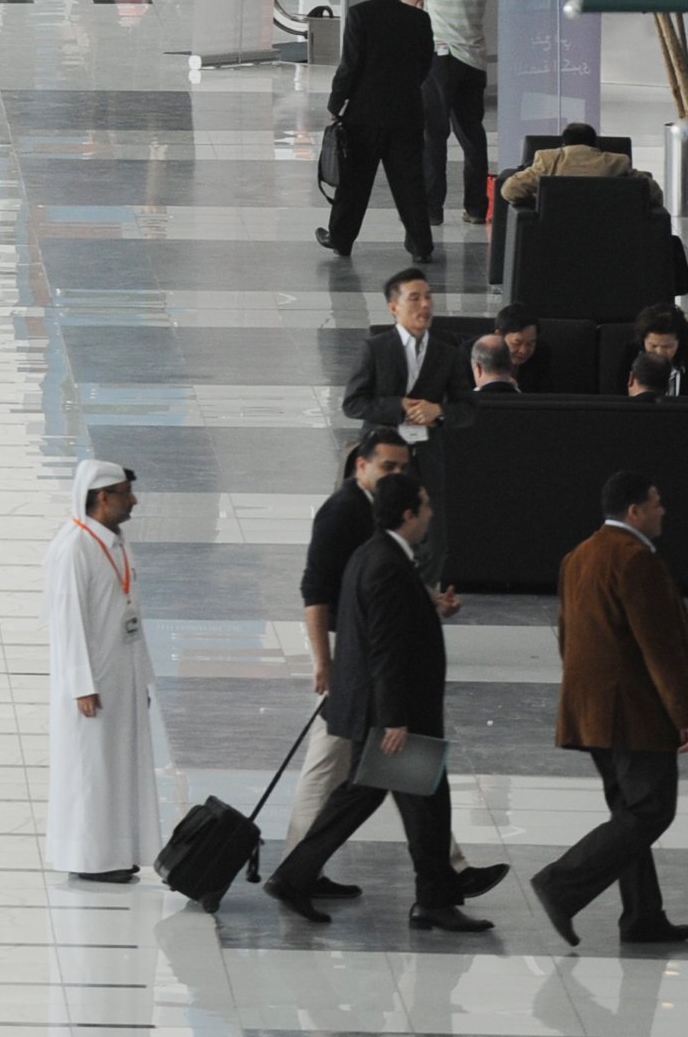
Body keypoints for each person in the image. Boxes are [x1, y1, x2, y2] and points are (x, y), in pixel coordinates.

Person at [264, 473, 505, 932]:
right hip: (395, 714)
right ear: (408, 515)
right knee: (388, 799)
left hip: (384, 709)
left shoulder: (376, 554)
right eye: (426, 506)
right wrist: (395, 719)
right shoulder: (387, 564)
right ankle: (302, 877)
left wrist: (430, 607)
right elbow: (385, 648)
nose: (432, 514)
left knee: (408, 801)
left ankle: (428, 898)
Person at [284, 430, 468, 895]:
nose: (396, 475)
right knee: (338, 768)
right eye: (387, 467)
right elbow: (315, 591)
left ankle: (446, 873)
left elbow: (391, 580)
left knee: (389, 777)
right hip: (355, 664)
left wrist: (430, 601)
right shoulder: (342, 513)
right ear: (360, 466)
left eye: (402, 468)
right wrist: (323, 663)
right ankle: (296, 867)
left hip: (365, 661)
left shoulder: (381, 520)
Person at [529, 471, 688, 949]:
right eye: (656, 502)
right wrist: (684, 712)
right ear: (634, 511)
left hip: (590, 709)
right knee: (650, 811)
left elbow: (568, 635)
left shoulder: (579, 555)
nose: (662, 510)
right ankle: (561, 885)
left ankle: (643, 916)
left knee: (628, 812)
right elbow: (659, 647)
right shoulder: (635, 560)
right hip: (635, 713)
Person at [42, 460, 162, 883]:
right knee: (91, 770)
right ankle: (90, 857)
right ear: (103, 498)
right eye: (126, 492)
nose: (134, 500)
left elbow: (131, 611)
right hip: (91, 682)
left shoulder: (114, 540)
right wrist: (81, 686)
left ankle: (116, 850)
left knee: (118, 767)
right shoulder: (73, 547)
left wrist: (142, 677)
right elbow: (67, 622)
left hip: (121, 672)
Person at [341, 267, 471, 591]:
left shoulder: (448, 352)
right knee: (377, 538)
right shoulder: (375, 348)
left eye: (428, 297)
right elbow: (353, 403)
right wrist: (398, 406)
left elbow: (467, 409)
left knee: (435, 546)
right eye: (414, 298)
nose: (424, 305)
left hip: (426, 460)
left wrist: (438, 411)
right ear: (393, 306)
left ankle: (422, 602)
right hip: (382, 461)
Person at [320, 0, 437, 260]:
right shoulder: (418, 19)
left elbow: (350, 66)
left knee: (355, 182)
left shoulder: (359, 15)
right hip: (407, 113)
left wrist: (336, 102)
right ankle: (421, 245)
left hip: (364, 115)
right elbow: (425, 64)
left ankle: (341, 239)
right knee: (410, 183)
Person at [404, 0, 493, 226]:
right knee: (472, 135)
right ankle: (476, 208)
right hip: (475, 62)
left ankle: (432, 208)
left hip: (441, 59)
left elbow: (408, 2)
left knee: (434, 135)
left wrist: (428, 8)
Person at [501, 119, 666, 207]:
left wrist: (538, 201)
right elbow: (655, 194)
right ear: (594, 144)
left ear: (564, 144)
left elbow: (510, 190)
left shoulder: (548, 160)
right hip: (610, 236)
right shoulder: (618, 162)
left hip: (551, 233)